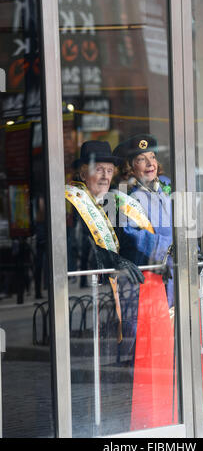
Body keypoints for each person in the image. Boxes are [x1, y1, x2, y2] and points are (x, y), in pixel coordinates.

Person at [65, 140, 154, 434]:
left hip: (108, 297)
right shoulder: (72, 202)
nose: (104, 176)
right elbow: (76, 247)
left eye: (108, 170)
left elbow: (128, 245)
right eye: (97, 170)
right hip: (80, 294)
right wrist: (111, 260)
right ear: (81, 172)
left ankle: (105, 421)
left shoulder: (111, 202)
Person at [113, 133, 177, 431]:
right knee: (149, 352)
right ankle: (150, 421)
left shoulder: (164, 191)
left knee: (168, 352)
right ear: (131, 166)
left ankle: (170, 415)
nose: (149, 163)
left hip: (169, 280)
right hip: (147, 282)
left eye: (152, 158)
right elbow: (131, 236)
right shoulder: (126, 196)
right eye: (141, 159)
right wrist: (165, 248)